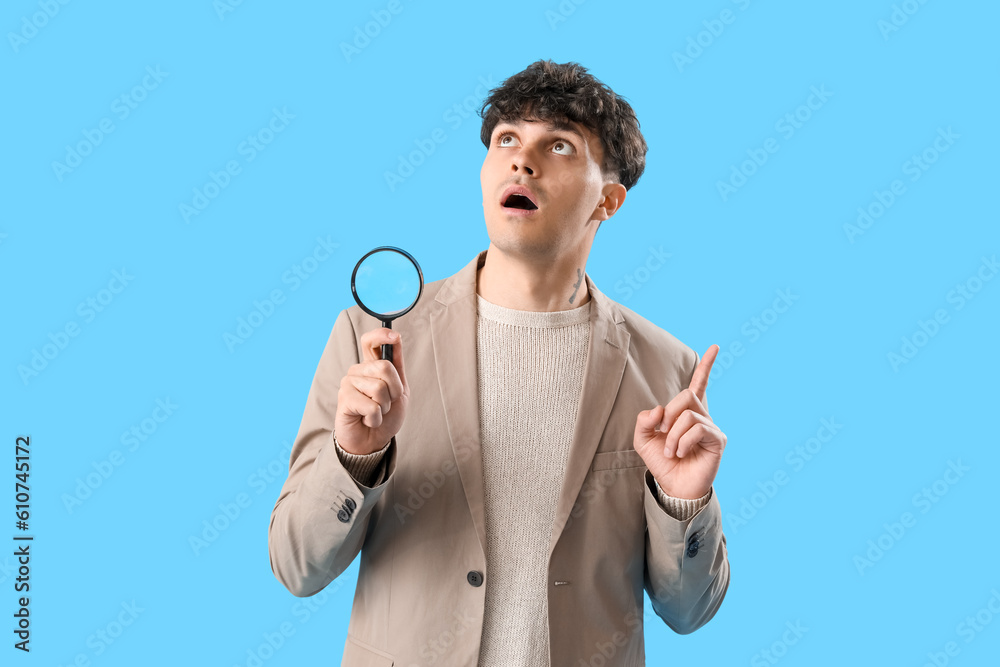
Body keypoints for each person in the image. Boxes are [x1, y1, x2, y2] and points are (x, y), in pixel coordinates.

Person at [268, 59, 730, 666]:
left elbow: (689, 611)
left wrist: (683, 504)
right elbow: (296, 566)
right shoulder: (371, 339)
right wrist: (355, 458)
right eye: (506, 139)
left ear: (609, 200)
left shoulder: (667, 366)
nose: (521, 161)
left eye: (559, 146)